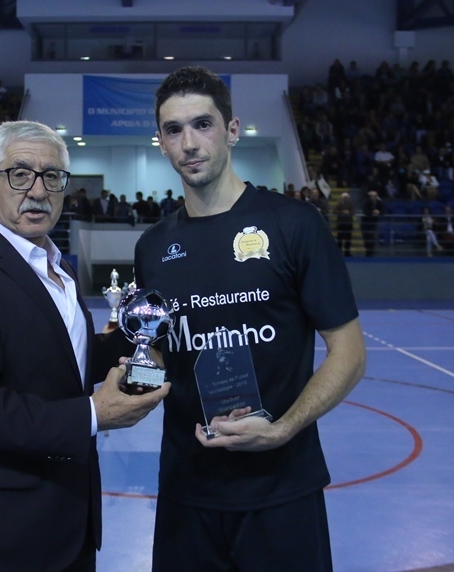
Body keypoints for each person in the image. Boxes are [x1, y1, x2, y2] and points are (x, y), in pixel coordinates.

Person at [134, 66, 366, 572]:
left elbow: (349, 352)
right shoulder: (152, 247)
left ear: (232, 130)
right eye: (174, 130)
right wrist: (128, 389)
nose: (189, 143)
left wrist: (282, 430)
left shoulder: (293, 225)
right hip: (187, 493)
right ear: (161, 142)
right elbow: (156, 354)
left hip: (282, 489)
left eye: (203, 124)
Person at [0, 119, 170, 572]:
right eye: (20, 174)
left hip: (70, 521)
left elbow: (68, 358)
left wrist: (144, 336)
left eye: (52, 176)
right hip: (1, 535)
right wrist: (94, 414)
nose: (38, 190)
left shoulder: (59, 268)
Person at [361, 189, 384, 257]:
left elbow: (383, 211)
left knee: (372, 237)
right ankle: (367, 251)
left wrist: (379, 212)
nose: (373, 197)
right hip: (365, 223)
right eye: (372, 196)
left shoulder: (379, 202)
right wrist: (372, 212)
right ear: (370, 196)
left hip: (374, 223)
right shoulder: (366, 202)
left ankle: (372, 252)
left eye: (375, 196)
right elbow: (365, 211)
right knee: (366, 237)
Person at [334, 192, 355, 256]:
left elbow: (353, 212)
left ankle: (347, 252)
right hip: (341, 223)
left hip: (349, 223)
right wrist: (342, 212)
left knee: (348, 238)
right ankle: (339, 252)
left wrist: (349, 212)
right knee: (340, 238)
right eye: (345, 198)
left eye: (347, 198)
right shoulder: (339, 203)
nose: (346, 199)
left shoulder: (351, 204)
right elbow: (334, 211)